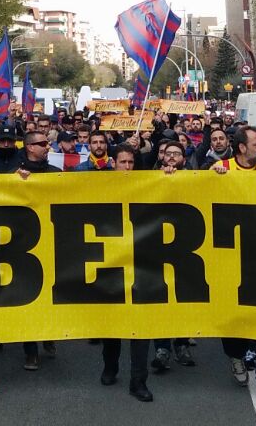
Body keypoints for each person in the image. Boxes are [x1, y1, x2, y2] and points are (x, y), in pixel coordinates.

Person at [212, 126, 256, 407]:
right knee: (232, 319)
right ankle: (236, 355)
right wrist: (212, 178)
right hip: (229, 257)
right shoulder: (221, 167)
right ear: (242, 148)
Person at [100, 145, 153, 401]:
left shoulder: (147, 186)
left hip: (142, 266)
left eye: (132, 162)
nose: (128, 167)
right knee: (112, 326)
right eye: (123, 162)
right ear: (113, 163)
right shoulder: (97, 187)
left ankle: (138, 381)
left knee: (140, 329)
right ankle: (110, 366)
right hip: (111, 265)